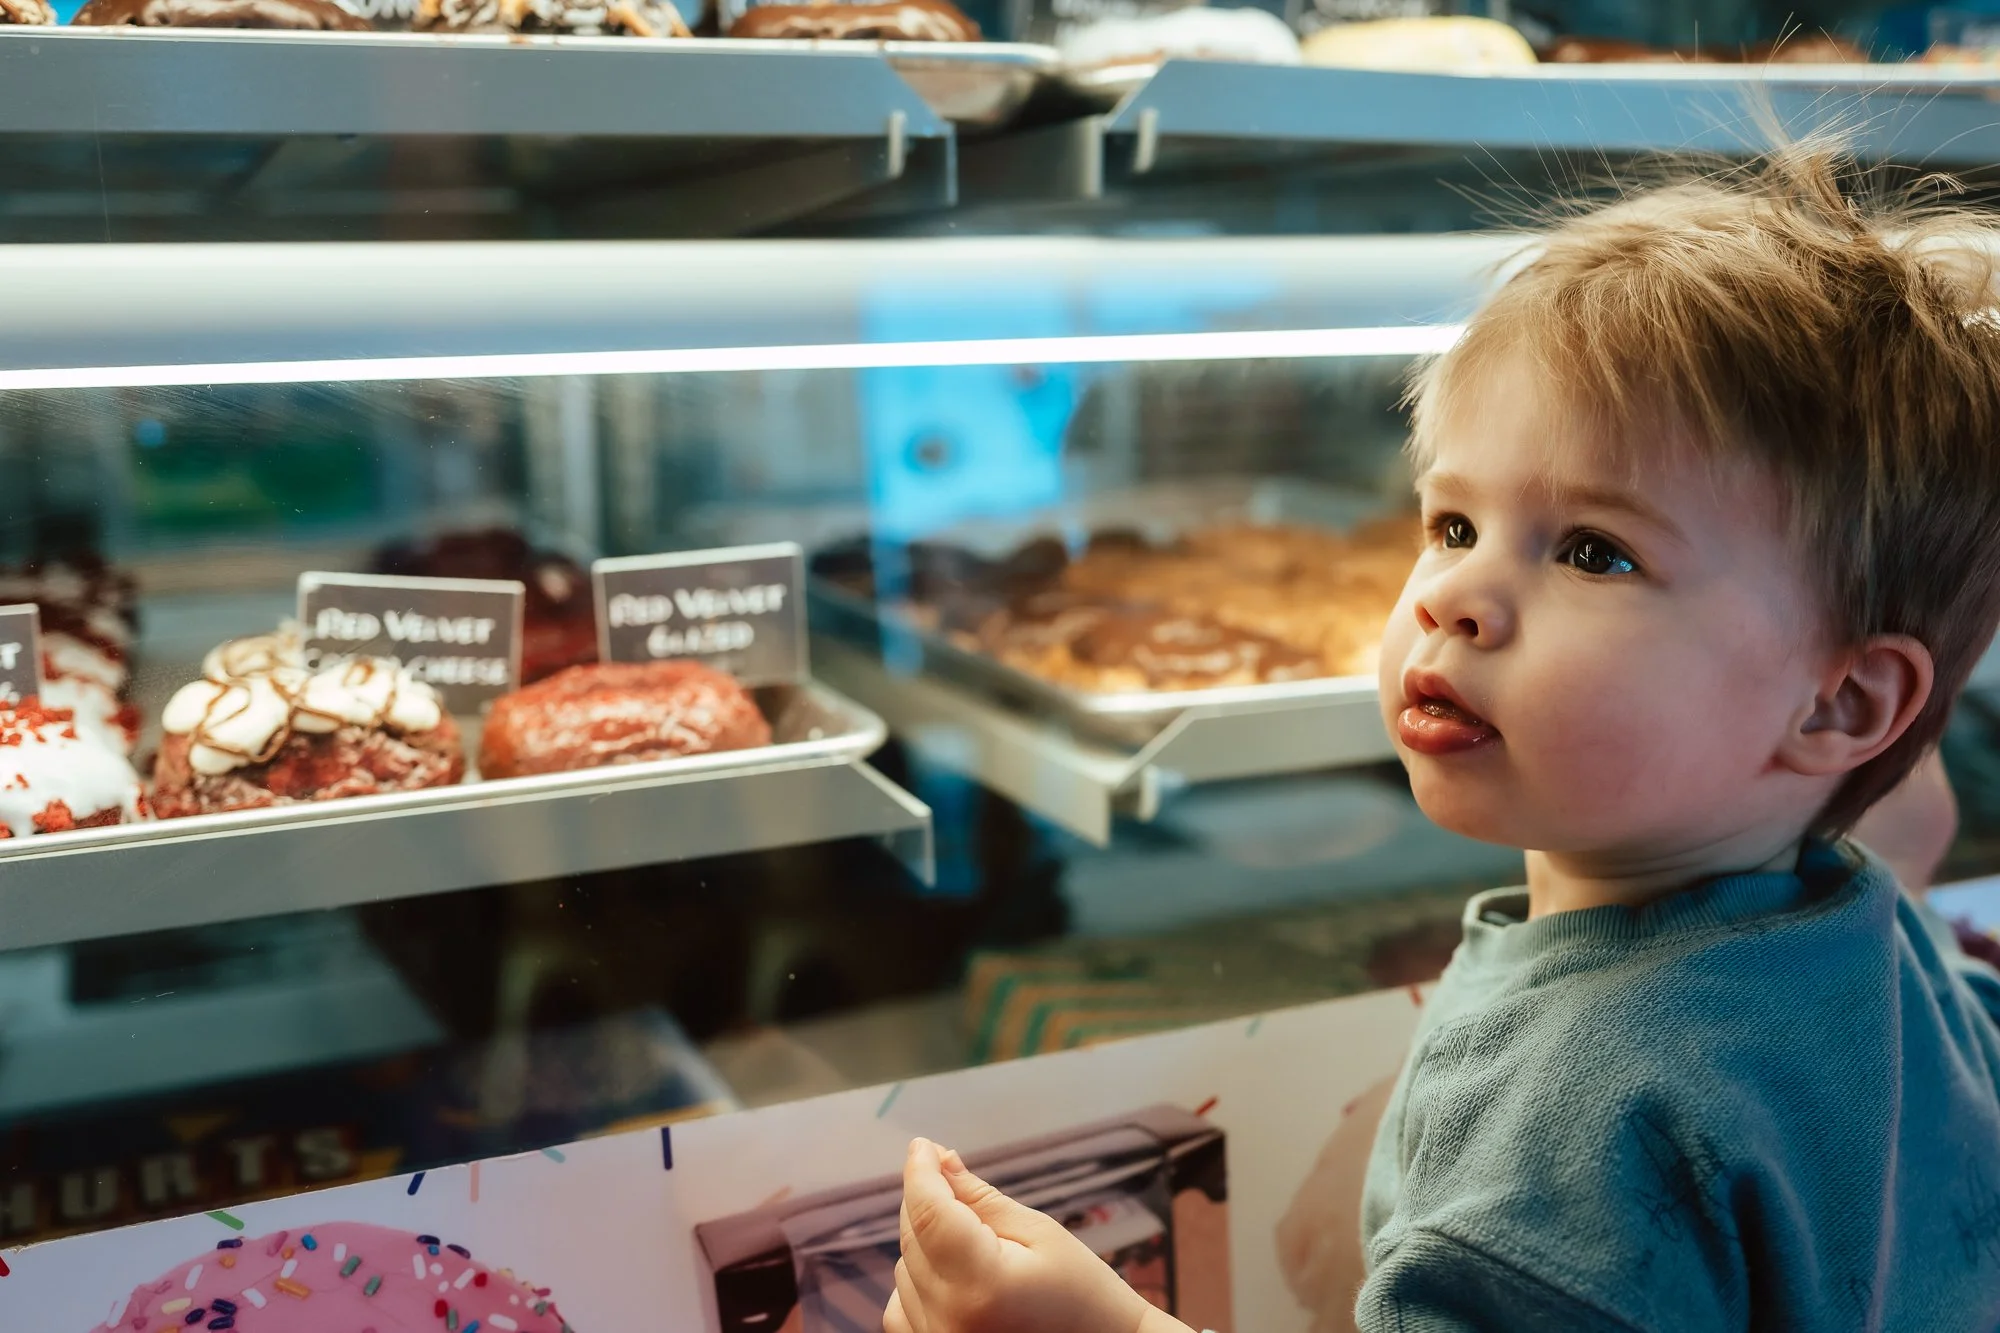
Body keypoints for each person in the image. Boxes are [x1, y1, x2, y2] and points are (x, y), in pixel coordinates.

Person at [883, 149, 2000, 1333]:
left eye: (1590, 550)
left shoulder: (1579, 1140)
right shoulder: (1863, 932)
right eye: (1452, 521)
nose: (1452, 593)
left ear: (1837, 706)